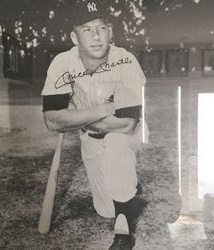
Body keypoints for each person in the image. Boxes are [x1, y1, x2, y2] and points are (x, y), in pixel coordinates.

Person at [41, 1, 148, 249]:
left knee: (116, 145)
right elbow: (52, 120)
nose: (97, 37)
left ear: (110, 31)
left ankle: (123, 233)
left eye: (101, 28)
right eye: (87, 30)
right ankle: (129, 190)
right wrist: (105, 108)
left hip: (128, 136)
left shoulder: (126, 60)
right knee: (106, 210)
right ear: (74, 36)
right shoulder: (62, 63)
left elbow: (126, 123)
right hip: (89, 138)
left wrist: (77, 116)